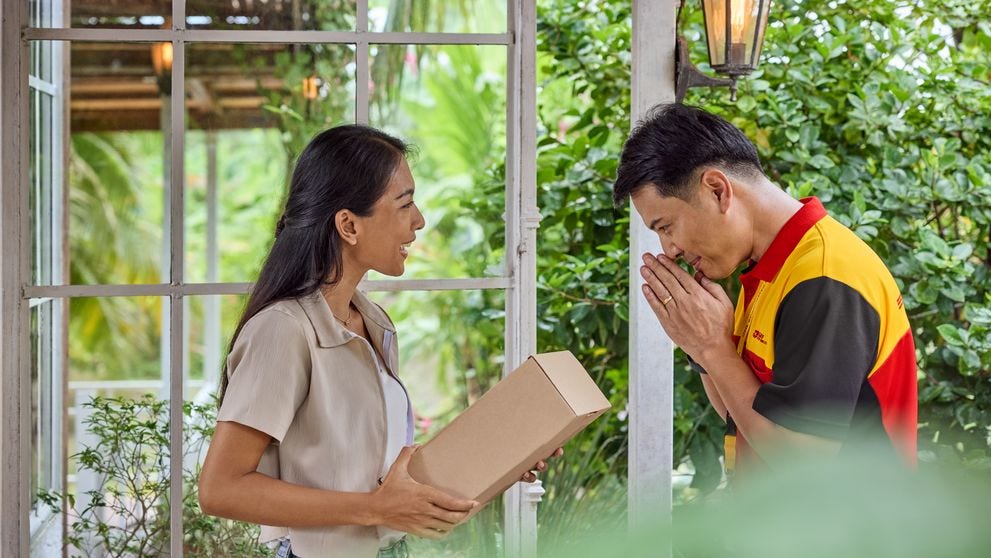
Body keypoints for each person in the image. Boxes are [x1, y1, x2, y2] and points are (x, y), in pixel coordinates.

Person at [198, 125, 558, 558]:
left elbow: (375, 474)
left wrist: (497, 458)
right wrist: (374, 509)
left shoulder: (372, 321)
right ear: (349, 225)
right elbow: (221, 489)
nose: (419, 220)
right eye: (405, 204)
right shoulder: (283, 329)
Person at [612, 104, 917, 475]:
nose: (669, 249)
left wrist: (713, 347)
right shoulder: (770, 268)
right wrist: (700, 345)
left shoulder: (824, 277)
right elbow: (741, 415)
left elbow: (801, 464)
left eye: (666, 226)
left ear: (716, 190)